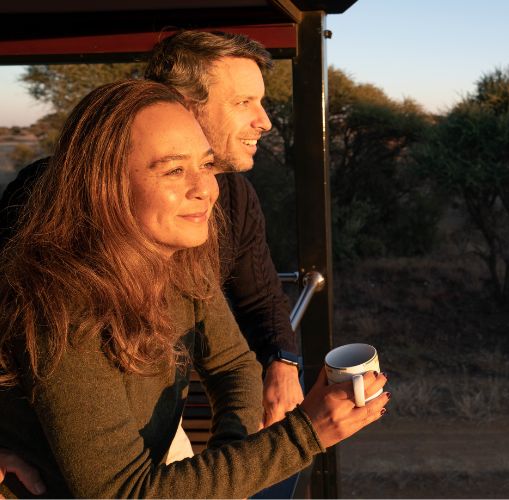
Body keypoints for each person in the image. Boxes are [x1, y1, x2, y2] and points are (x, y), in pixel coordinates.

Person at [0, 79, 388, 499]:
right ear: (102, 186)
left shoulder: (179, 258)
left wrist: (226, 473)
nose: (205, 189)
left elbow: (234, 365)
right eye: (172, 170)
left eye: (205, 165)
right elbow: (123, 494)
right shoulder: (65, 306)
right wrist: (303, 436)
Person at [0, 31, 301, 431]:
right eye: (243, 102)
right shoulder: (51, 192)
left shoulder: (231, 196)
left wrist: (283, 361)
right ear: (184, 106)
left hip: (156, 410)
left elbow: (256, 301)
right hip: (51, 427)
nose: (263, 121)